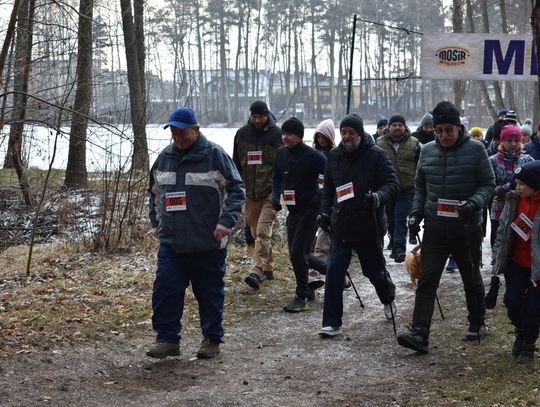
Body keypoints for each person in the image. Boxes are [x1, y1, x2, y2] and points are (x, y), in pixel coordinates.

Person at [146, 107, 245, 359]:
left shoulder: (215, 155)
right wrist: (156, 222)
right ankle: (167, 339)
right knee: (166, 288)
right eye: (174, 133)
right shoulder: (164, 157)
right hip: (172, 242)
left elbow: (236, 190)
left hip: (207, 243)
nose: (178, 138)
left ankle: (211, 338)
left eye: (183, 132)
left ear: (196, 130)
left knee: (209, 293)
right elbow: (154, 192)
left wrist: (226, 222)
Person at [397, 101, 495, 354]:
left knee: (471, 278)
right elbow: (420, 186)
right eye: (438, 130)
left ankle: (477, 321)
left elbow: (487, 184)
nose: (443, 136)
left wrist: (473, 204)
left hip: (466, 228)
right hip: (436, 228)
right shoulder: (427, 151)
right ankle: (420, 333)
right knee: (427, 279)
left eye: (448, 130)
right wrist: (416, 212)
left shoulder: (475, 150)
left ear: (458, 128)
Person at [317, 113, 399, 337]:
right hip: (340, 225)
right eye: (343, 133)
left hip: (368, 225)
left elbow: (392, 183)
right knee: (334, 272)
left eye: (351, 133)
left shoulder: (376, 156)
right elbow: (328, 189)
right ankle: (331, 322)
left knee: (373, 271)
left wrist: (377, 198)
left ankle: (388, 296)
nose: (347, 137)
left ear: (360, 134)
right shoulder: (334, 157)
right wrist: (324, 212)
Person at [272, 117, 326, 312]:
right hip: (292, 210)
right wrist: (275, 197)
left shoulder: (314, 156)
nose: (285, 137)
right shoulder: (281, 154)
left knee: (297, 253)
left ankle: (301, 295)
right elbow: (276, 176)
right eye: (283, 133)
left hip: (310, 210)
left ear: (299, 136)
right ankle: (329, 271)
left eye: (289, 134)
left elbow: (332, 176)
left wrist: (321, 198)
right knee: (298, 253)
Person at [492, 161, 540, 362]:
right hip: (517, 262)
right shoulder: (513, 200)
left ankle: (528, 344)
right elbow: (502, 231)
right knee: (511, 302)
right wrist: (496, 260)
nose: (517, 187)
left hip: (537, 267)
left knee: (533, 308)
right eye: (516, 183)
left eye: (521, 184)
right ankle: (521, 331)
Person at [233, 101, 283, 289]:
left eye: (260, 117)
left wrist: (282, 190)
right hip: (250, 192)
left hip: (271, 191)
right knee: (255, 233)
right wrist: (237, 188)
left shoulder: (277, 135)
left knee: (262, 231)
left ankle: (257, 271)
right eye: (254, 117)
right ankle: (268, 268)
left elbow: (284, 163)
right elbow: (236, 163)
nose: (257, 120)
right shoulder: (242, 134)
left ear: (266, 115)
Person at [376, 114, 421, 262]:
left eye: (400, 125)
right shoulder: (380, 143)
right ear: (389, 127)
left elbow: (420, 166)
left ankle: (400, 249)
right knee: (390, 219)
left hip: (406, 188)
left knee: (399, 217)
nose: (397, 128)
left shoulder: (414, 143)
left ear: (404, 127)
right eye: (394, 125)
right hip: (387, 188)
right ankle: (395, 249)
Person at [489, 125, 534, 249]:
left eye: (516, 141)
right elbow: (488, 189)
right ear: (502, 142)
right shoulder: (492, 161)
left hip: (522, 211)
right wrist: (509, 187)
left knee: (518, 245)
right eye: (509, 141)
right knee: (499, 244)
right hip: (499, 211)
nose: (513, 144)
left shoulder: (528, 160)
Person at [308, 119, 336, 288]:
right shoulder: (311, 155)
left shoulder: (336, 155)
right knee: (315, 243)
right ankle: (336, 276)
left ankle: (313, 276)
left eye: (324, 136)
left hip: (331, 205)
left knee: (326, 243)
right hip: (312, 203)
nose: (321, 140)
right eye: (318, 136)